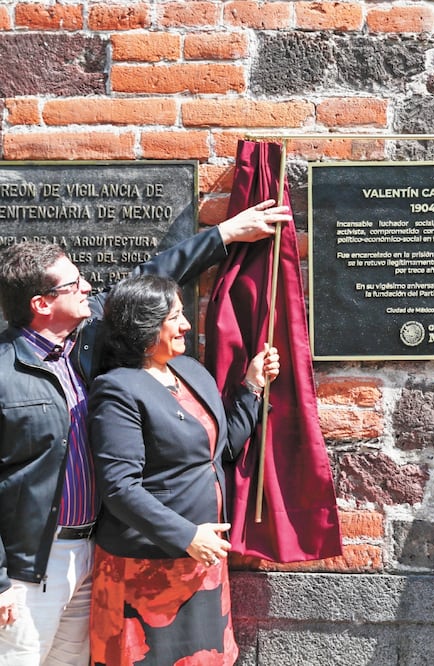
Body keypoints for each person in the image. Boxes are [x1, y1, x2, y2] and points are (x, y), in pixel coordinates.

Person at [0, 199, 292, 665]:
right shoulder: (8, 372)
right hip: (33, 562)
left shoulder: (89, 338)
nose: (90, 289)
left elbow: (150, 277)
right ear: (41, 304)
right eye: (75, 284)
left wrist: (227, 234)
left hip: (89, 549)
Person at [87, 274, 279, 665]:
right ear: (145, 326)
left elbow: (217, 451)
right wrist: (187, 535)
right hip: (148, 567)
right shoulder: (117, 389)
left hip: (201, 562)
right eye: (174, 317)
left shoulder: (190, 371)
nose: (186, 324)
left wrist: (252, 387)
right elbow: (120, 488)